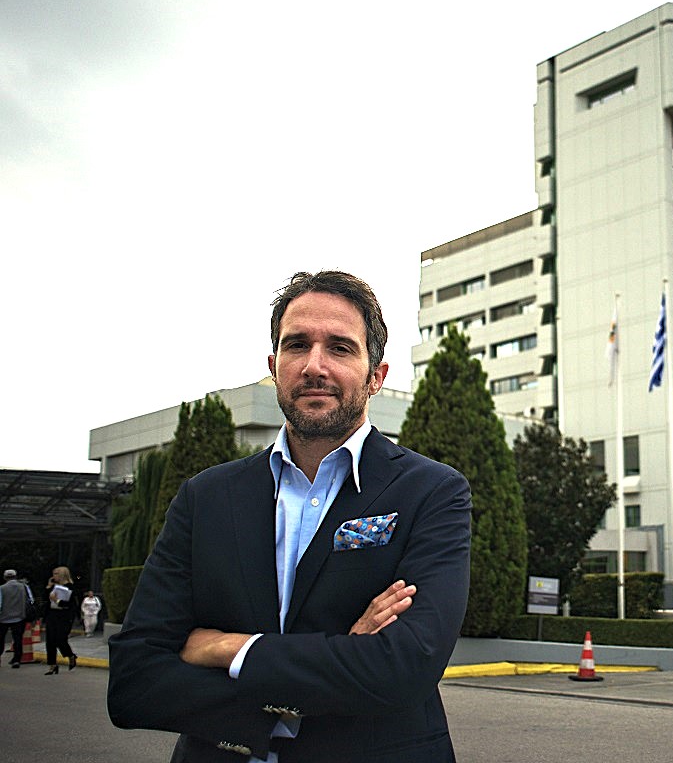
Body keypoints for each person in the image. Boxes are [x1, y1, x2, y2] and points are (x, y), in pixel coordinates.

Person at [108, 271, 472, 762]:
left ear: (376, 376)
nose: (314, 366)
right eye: (297, 345)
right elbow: (135, 680)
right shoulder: (206, 496)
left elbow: (403, 668)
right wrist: (330, 669)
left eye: (341, 348)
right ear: (274, 365)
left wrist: (225, 648)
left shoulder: (432, 492)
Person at [44, 565, 78, 675]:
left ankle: (70, 655)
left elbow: (70, 605)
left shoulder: (70, 587)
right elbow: (46, 600)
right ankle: (52, 664)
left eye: (56, 574)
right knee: (50, 640)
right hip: (52, 615)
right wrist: (48, 588)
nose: (54, 576)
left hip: (64, 616)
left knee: (60, 639)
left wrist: (57, 601)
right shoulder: (53, 586)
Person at [0, 569, 30, 668]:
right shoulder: (23, 587)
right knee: (18, 639)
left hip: (3, 618)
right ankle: (17, 659)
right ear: (15, 576)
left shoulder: (2, 588)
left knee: (1, 639)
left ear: (5, 577)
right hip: (19, 617)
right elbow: (30, 600)